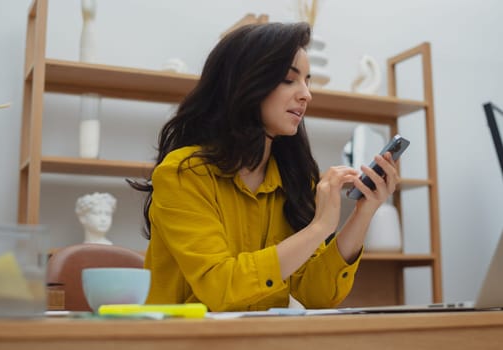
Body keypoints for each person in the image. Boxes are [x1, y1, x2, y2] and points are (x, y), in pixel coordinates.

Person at [130, 22, 400, 312]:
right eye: (289, 79)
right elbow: (221, 287)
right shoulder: (183, 173)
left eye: (307, 81)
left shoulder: (292, 179)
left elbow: (317, 294)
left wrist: (364, 212)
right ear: (245, 82)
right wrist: (321, 226)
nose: (306, 95)